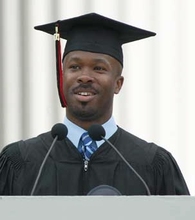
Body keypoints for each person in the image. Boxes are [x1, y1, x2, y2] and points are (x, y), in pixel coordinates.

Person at [0, 13, 190, 195]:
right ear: (61, 76)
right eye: (74, 67)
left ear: (118, 84)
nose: (84, 77)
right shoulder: (20, 161)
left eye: (99, 68)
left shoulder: (151, 165)